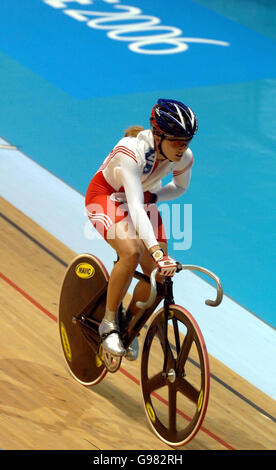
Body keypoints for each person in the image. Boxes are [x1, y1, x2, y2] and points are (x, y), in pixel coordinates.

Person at [85, 98, 198, 360]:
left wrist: (156, 198)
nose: (183, 148)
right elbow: (134, 207)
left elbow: (180, 187)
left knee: (159, 275)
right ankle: (109, 322)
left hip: (142, 198)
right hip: (106, 196)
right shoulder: (131, 151)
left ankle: (129, 323)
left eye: (187, 141)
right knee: (132, 252)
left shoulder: (184, 157)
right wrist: (156, 250)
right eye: (177, 141)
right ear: (158, 136)